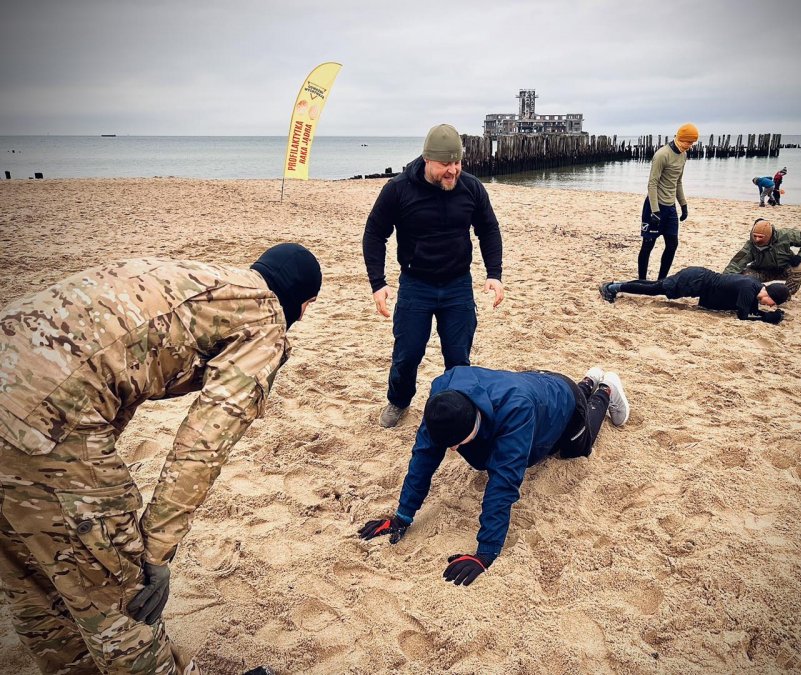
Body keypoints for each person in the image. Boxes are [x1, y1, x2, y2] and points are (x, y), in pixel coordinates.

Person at [0, 244, 321, 674]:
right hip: (45, 418)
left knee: (35, 583)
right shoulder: (266, 320)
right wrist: (153, 554)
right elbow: (203, 445)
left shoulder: (205, 276)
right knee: (121, 604)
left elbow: (112, 361)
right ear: (304, 305)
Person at [358, 364, 630, 586]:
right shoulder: (442, 399)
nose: (452, 450)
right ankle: (587, 379)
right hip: (537, 383)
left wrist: (485, 552)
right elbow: (424, 456)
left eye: (457, 444)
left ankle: (605, 389)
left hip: (561, 404)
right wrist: (402, 516)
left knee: (575, 449)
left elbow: (504, 482)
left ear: (474, 421)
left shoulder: (516, 412)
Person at [362, 123, 504, 429]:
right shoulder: (398, 190)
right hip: (416, 285)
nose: (452, 170)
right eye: (445, 165)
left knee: (458, 356)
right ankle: (399, 401)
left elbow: (488, 229)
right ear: (428, 160)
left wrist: (494, 273)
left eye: (457, 163)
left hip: (457, 286)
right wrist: (378, 282)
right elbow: (375, 233)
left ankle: (458, 408)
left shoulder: (471, 188)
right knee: (407, 353)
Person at [600, 266, 790, 324]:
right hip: (695, 280)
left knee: (655, 286)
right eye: (773, 302)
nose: (771, 305)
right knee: (654, 289)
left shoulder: (755, 287)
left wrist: (767, 316)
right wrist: (767, 318)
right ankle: (612, 287)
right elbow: (743, 315)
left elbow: (751, 310)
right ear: (770, 293)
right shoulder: (749, 288)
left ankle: (615, 286)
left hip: (698, 278)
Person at [637, 123, 699, 281]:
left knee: (672, 245)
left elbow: (678, 182)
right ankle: (642, 280)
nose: (690, 146)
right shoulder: (662, 155)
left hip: (670, 208)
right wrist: (655, 211)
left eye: (692, 143)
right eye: (688, 142)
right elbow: (652, 183)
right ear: (679, 138)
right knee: (648, 245)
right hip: (654, 206)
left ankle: (661, 281)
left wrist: (683, 205)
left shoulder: (683, 155)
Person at [723, 218, 801, 296]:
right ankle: (757, 294)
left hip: (784, 269)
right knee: (743, 277)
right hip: (761, 271)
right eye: (755, 236)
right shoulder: (750, 245)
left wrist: (800, 256)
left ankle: (785, 295)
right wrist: (724, 282)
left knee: (799, 268)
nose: (757, 239)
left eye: (760, 237)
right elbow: (736, 264)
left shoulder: (786, 235)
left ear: (769, 235)